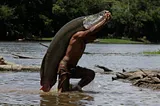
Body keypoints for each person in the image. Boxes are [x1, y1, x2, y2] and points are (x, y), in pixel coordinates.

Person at [57, 11, 111, 93]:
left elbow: (93, 32)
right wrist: (104, 20)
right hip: (64, 67)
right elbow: (92, 30)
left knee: (90, 74)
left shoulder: (83, 41)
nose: (92, 40)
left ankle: (76, 88)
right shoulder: (78, 36)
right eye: (92, 38)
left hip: (73, 68)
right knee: (62, 94)